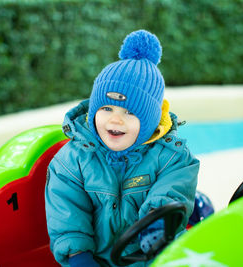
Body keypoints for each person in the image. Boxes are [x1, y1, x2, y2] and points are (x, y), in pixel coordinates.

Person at [45, 29, 199, 267]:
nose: (115, 120)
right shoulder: (71, 160)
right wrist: (78, 256)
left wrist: (157, 227)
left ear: (149, 121)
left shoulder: (171, 158)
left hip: (156, 253)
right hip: (97, 260)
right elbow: (67, 214)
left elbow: (172, 191)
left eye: (129, 112)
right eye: (106, 109)